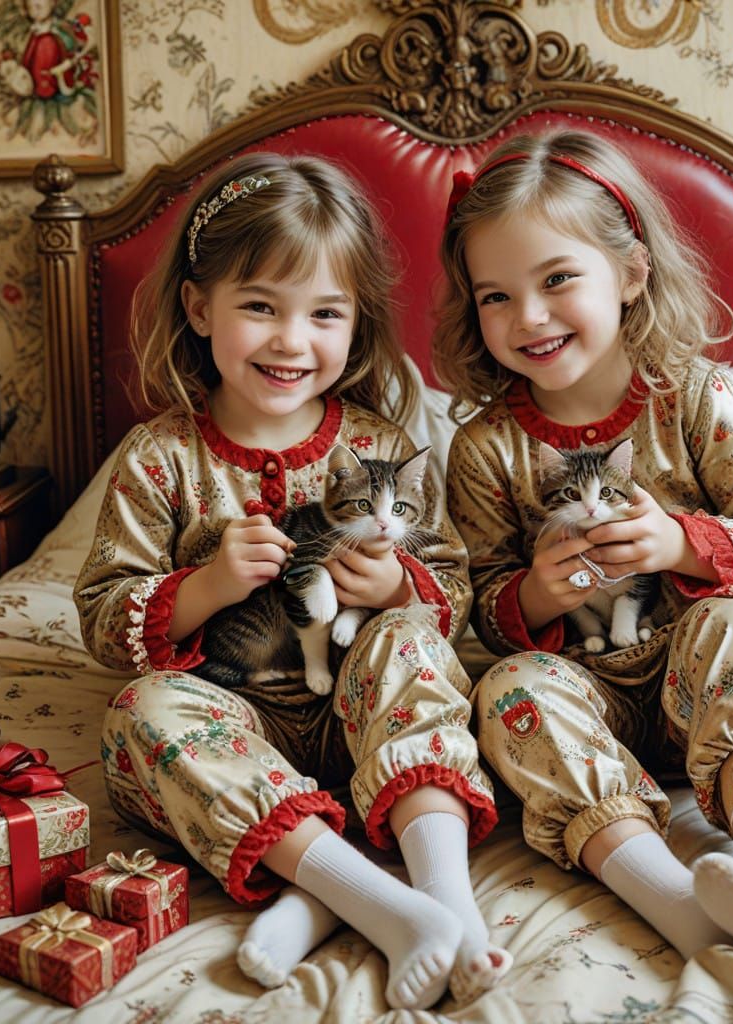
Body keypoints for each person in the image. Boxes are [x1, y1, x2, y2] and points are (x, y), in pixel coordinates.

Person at [435, 129, 733, 998]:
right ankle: (686, 909)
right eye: (496, 296)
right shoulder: (484, 448)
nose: (527, 316)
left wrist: (683, 543)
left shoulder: (692, 396)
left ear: (631, 274)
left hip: (706, 687)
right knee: (507, 690)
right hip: (585, 706)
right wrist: (531, 591)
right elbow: (470, 603)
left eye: (557, 279)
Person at [75, 152, 512, 1010]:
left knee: (406, 648)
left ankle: (444, 900)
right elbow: (101, 616)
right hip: (232, 728)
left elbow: (452, 595)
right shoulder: (161, 457)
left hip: (364, 716)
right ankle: (374, 901)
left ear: (356, 323)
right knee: (142, 713)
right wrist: (203, 586)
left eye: (323, 313)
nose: (291, 339)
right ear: (200, 307)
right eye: (259, 307)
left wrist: (394, 590)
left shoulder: (386, 446)